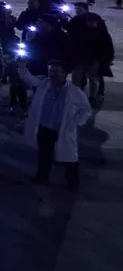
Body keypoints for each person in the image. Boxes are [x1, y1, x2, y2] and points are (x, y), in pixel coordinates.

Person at [20, 60, 92, 191]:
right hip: (44, 126)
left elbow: (86, 110)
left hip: (62, 129)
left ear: (64, 74)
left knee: (69, 157)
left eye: (56, 71)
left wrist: (75, 122)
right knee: (43, 154)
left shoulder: (74, 91)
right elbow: (28, 78)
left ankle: (72, 182)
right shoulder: (44, 84)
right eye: (50, 71)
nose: (53, 74)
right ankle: (42, 176)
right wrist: (22, 66)